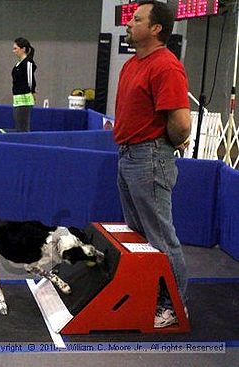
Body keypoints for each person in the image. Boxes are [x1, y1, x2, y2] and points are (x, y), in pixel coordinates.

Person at [114, 1, 191, 328]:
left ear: (156, 28)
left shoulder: (166, 66)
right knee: (139, 235)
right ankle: (149, 295)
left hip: (150, 158)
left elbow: (182, 124)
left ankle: (175, 305)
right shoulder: (132, 65)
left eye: (137, 19)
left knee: (161, 238)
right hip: (128, 156)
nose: (129, 24)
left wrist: (165, 146)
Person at [11, 37, 37, 132]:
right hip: (17, 98)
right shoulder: (19, 64)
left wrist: (33, 91)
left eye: (15, 48)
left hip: (25, 99)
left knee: (23, 127)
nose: (13, 51)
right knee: (19, 126)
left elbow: (30, 80)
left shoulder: (28, 63)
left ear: (23, 49)